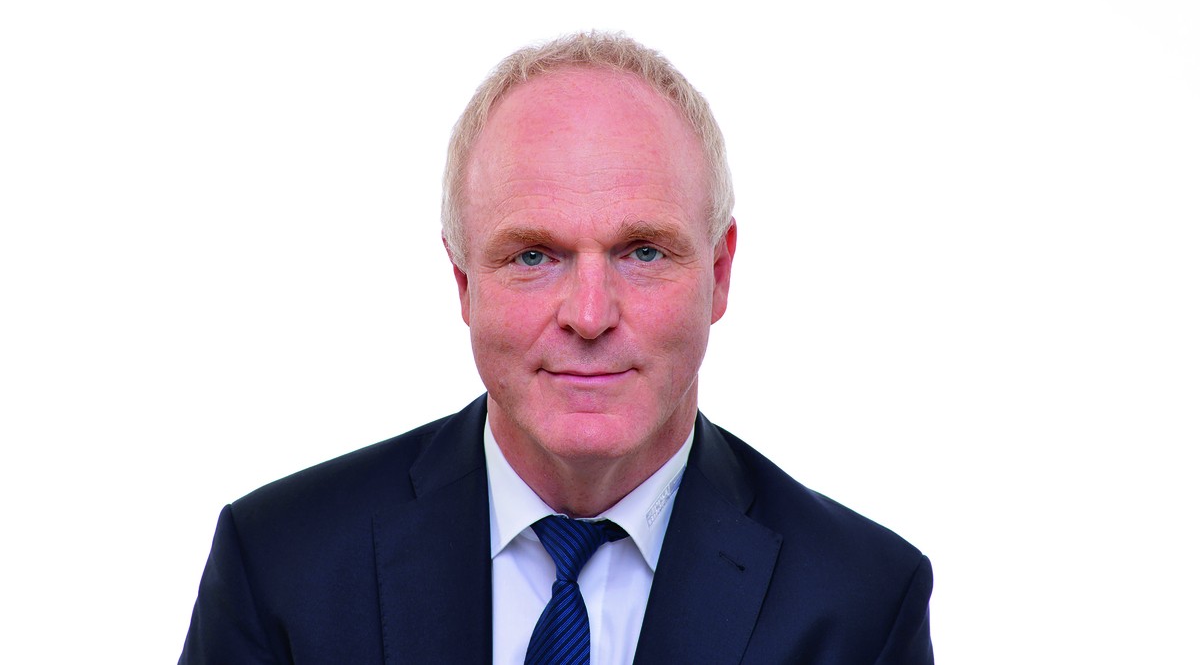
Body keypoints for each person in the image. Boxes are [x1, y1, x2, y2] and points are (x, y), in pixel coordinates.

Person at [180, 32, 934, 664]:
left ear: (719, 274)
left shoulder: (862, 604)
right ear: (464, 282)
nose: (590, 314)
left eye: (643, 251)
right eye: (534, 255)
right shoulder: (279, 565)